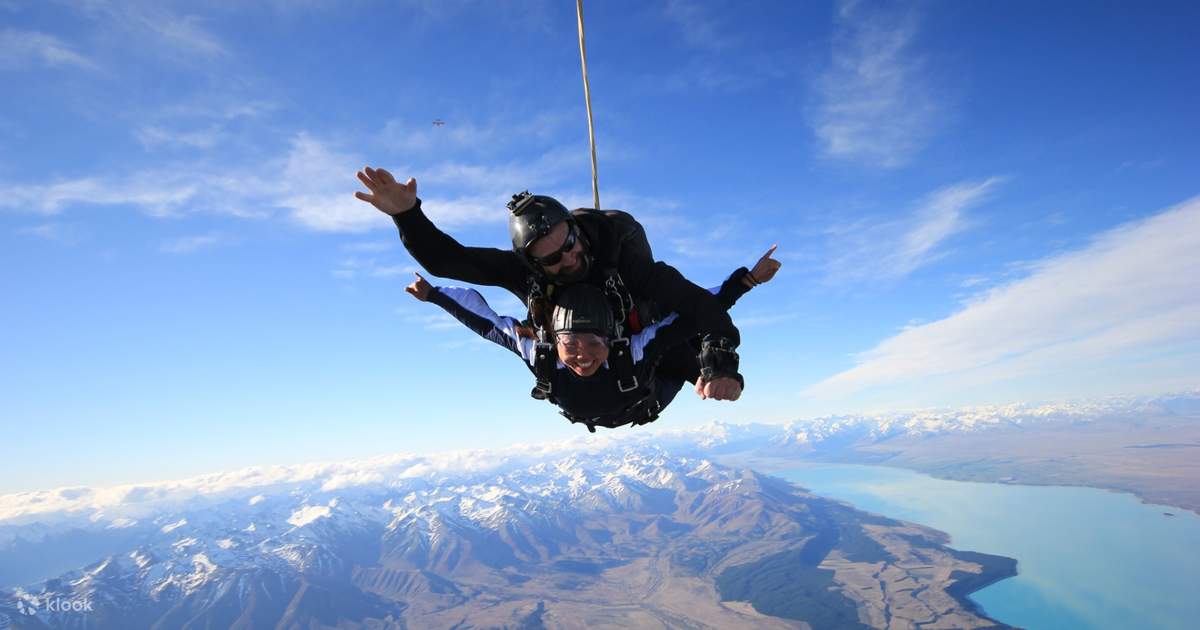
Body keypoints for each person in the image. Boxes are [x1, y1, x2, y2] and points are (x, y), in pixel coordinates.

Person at [354, 168, 746, 401]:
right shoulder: (525, 274)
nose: (569, 259)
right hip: (574, 373)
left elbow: (697, 304)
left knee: (680, 346)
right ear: (533, 263)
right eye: (553, 259)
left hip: (648, 355)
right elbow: (448, 260)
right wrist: (408, 215)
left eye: (570, 244)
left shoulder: (625, 263)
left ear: (575, 230)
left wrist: (719, 362)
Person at [405, 247, 781, 432]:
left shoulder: (630, 349)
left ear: (611, 339)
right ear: (556, 340)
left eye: (593, 344)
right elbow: (484, 322)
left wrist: (746, 281)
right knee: (663, 338)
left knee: (671, 337)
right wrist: (434, 294)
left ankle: (699, 375)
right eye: (571, 345)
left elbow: (696, 308)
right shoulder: (540, 351)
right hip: (622, 396)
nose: (582, 356)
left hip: (649, 395)